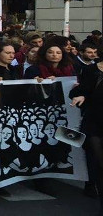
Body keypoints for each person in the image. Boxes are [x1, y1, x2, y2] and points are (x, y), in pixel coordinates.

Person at [70, 60, 103, 214]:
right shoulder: (91, 70)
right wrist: (81, 96)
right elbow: (78, 91)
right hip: (95, 121)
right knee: (98, 163)